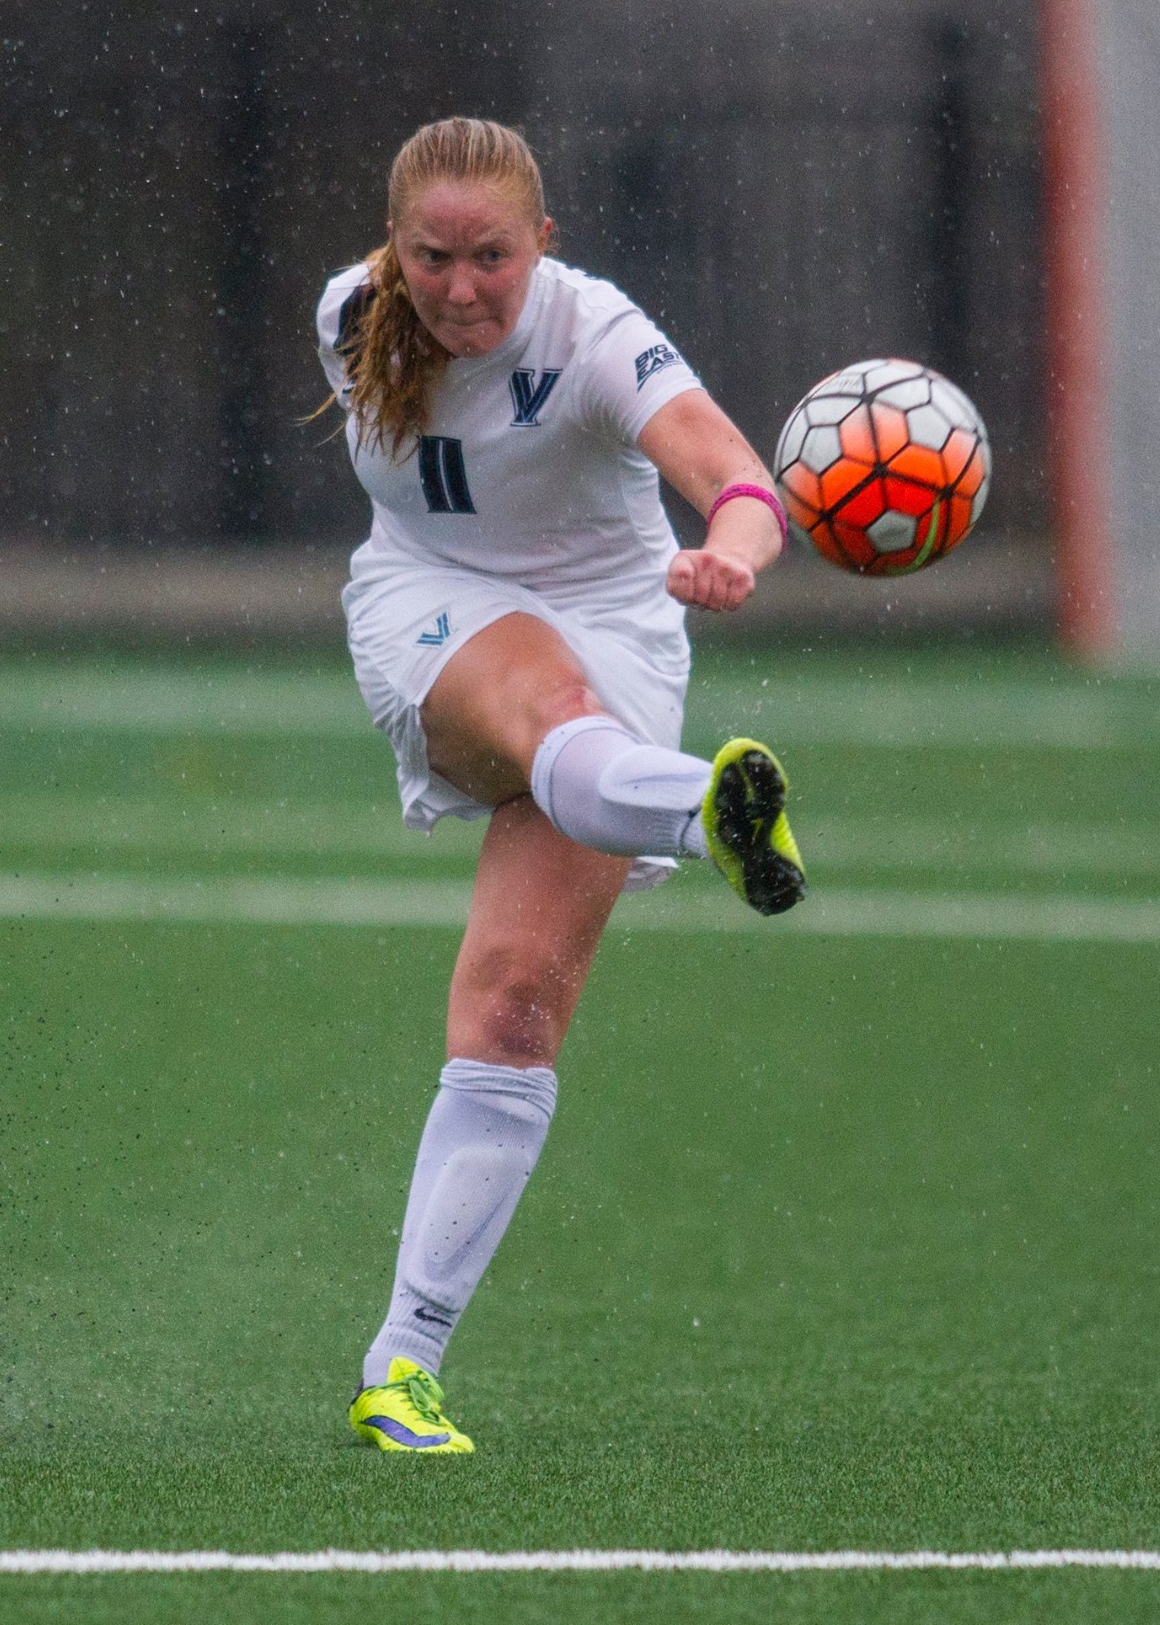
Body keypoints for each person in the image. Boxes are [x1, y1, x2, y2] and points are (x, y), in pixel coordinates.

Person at [317, 118, 804, 1454]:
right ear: (392, 246)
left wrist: (734, 552)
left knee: (515, 1007)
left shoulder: (595, 332)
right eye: (432, 257)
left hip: (618, 623)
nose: (460, 288)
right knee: (547, 712)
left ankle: (399, 1368)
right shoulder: (352, 317)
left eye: (492, 256)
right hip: (431, 602)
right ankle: (702, 810)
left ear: (544, 241)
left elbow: (732, 471)